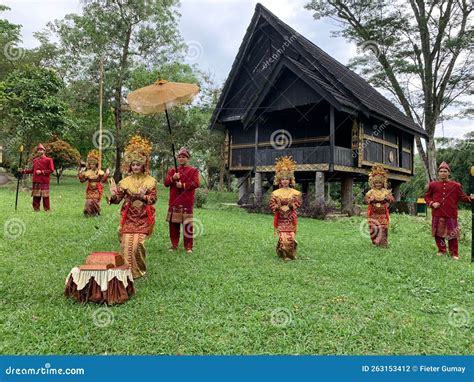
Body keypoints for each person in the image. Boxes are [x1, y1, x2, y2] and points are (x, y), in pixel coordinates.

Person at [108, 135, 157, 278]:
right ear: (130, 166)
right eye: (133, 164)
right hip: (128, 216)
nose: (135, 167)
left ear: (143, 165)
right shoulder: (124, 182)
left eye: (138, 164)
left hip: (143, 216)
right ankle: (125, 271)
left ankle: (138, 271)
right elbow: (118, 200)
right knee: (125, 243)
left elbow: (153, 200)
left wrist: (143, 196)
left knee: (137, 244)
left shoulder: (150, 181)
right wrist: (113, 195)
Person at [424, 161, 473, 260]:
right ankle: (441, 250)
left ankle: (454, 253)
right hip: (437, 213)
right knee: (438, 234)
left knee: (452, 235)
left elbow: (463, 198)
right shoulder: (433, 185)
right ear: (438, 173)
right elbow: (427, 197)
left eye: (445, 171)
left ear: (449, 173)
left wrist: (471, 198)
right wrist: (432, 203)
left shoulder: (456, 185)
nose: (443, 173)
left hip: (451, 214)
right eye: (441, 171)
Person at [164, 147, 200, 253]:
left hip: (187, 202)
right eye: (179, 157)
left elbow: (196, 183)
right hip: (174, 201)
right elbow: (166, 183)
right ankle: (174, 245)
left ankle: (188, 246)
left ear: (187, 158)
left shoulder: (193, 170)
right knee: (173, 225)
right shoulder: (172, 171)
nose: (181, 159)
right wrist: (173, 179)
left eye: (183, 157)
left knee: (187, 225)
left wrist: (183, 185)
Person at [269, 156, 302, 261]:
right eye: (282, 179)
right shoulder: (275, 193)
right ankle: (285, 254)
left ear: (290, 180)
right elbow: (272, 204)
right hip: (281, 218)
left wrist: (292, 205)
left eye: (287, 179)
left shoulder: (295, 193)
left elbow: (298, 203)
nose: (284, 181)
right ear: (279, 180)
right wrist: (277, 207)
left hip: (290, 218)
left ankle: (288, 251)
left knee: (291, 236)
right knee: (283, 237)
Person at [364, 165, 395, 247]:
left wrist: (389, 198)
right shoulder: (371, 192)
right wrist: (370, 199)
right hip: (374, 213)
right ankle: (376, 241)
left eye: (380, 183)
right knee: (374, 228)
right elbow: (366, 200)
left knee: (384, 228)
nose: (378, 184)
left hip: (383, 213)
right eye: (376, 183)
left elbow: (392, 199)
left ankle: (383, 243)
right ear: (373, 183)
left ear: (383, 183)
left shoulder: (385, 191)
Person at [19, 143, 55, 212]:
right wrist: (22, 171)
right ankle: (36, 208)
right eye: (38, 150)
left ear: (44, 151)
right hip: (36, 180)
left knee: (45, 196)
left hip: (44, 180)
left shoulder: (49, 160)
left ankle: (47, 209)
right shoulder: (35, 160)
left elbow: (51, 170)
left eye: (41, 150)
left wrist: (41, 172)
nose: (39, 151)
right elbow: (32, 170)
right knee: (36, 195)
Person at [78, 149, 110, 216]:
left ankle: (96, 212)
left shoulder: (100, 172)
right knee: (88, 202)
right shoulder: (88, 172)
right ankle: (88, 212)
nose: (92, 165)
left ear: (96, 164)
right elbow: (82, 181)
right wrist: (80, 173)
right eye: (91, 164)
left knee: (95, 201)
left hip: (97, 189)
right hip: (90, 189)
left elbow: (103, 180)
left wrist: (107, 174)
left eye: (93, 164)